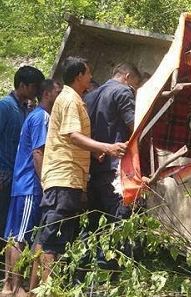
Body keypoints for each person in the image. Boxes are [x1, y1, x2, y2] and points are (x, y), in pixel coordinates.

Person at [29, 57, 127, 291]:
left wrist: (94, 154)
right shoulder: (71, 99)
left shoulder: (72, 99)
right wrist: (107, 147)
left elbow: (69, 140)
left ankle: (35, 291)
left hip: (68, 179)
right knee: (53, 241)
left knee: (47, 238)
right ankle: (47, 291)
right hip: (63, 178)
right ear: (79, 76)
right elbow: (73, 135)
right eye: (88, 72)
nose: (90, 77)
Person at [0, 66, 45, 296]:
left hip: (16, 176)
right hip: (0, 173)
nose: (36, 91)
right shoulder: (3, 107)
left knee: (11, 233)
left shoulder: (25, 109)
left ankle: (8, 283)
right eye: (34, 87)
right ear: (23, 85)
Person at [2, 79, 61, 297]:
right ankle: (17, 288)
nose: (60, 96)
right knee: (20, 238)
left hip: (21, 184)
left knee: (13, 235)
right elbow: (38, 152)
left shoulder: (33, 115)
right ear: (46, 94)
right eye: (58, 92)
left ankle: (7, 285)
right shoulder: (42, 118)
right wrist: (45, 182)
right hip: (30, 184)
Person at [84, 63, 140, 238]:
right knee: (120, 223)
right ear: (127, 77)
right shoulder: (123, 91)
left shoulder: (89, 96)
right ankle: (111, 263)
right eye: (135, 84)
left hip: (95, 168)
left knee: (95, 225)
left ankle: (87, 264)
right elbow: (135, 127)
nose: (134, 89)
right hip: (117, 169)